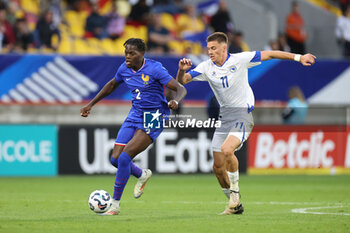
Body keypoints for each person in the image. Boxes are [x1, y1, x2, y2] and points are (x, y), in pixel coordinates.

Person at [176, 32, 316, 215]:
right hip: (224, 116)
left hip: (242, 113)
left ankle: (234, 194)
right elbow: (182, 82)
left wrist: (299, 57)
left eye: (213, 48)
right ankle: (235, 204)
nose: (210, 52)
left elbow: (271, 54)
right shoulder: (205, 67)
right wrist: (181, 70)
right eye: (208, 48)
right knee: (218, 167)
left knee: (227, 150)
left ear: (224, 48)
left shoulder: (241, 59)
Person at [80, 38, 187, 216]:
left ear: (142, 54)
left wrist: (175, 100)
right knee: (114, 159)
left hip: (154, 116)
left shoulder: (155, 68)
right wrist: (91, 104)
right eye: (126, 53)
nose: (127, 57)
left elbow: (180, 88)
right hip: (135, 114)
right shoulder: (124, 68)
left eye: (132, 53)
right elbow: (112, 84)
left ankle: (115, 205)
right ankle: (141, 174)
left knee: (124, 158)